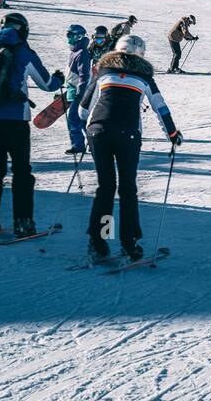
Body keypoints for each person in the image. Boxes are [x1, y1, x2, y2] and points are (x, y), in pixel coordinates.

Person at [77, 35, 182, 262]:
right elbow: (160, 107)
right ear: (141, 55)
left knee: (105, 187)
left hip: (99, 133)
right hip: (128, 135)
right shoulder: (143, 75)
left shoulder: (103, 72)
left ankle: (100, 241)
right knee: (127, 188)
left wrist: (89, 131)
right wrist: (172, 134)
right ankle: (129, 242)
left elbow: (83, 109)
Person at [0, 11, 65, 238]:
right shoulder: (24, 52)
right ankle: (23, 223)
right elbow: (46, 84)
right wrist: (58, 79)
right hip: (15, 118)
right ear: (22, 30)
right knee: (22, 171)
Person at [64, 24, 92, 156]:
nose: (69, 39)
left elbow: (84, 75)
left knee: (74, 118)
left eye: (71, 36)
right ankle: (93, 143)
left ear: (79, 36)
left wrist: (80, 93)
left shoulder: (82, 53)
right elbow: (72, 75)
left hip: (79, 93)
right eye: (68, 36)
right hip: (73, 90)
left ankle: (79, 144)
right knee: (81, 119)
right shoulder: (74, 52)